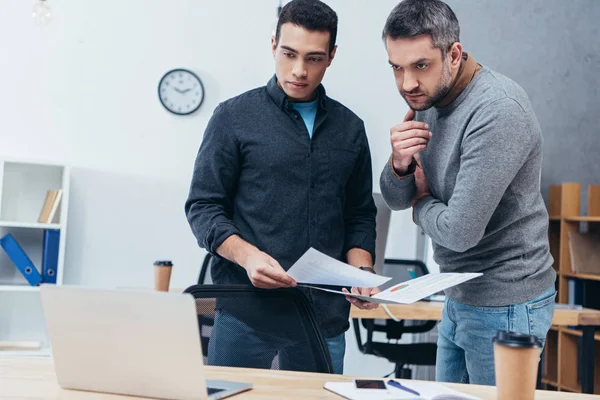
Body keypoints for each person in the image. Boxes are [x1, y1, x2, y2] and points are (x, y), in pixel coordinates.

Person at [185, 0, 378, 375]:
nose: (299, 71)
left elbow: (359, 214)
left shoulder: (350, 129)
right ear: (273, 44)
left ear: (332, 56)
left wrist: (362, 272)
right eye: (288, 54)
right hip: (246, 313)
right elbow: (203, 208)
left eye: (314, 58)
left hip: (322, 318)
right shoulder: (233, 117)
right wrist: (248, 256)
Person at [379, 0, 556, 385]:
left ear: (454, 54)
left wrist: (422, 203)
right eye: (397, 67)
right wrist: (399, 165)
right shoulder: (427, 99)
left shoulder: (497, 110)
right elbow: (394, 200)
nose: (407, 83)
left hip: (507, 301)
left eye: (420, 65)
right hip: (459, 293)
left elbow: (460, 232)